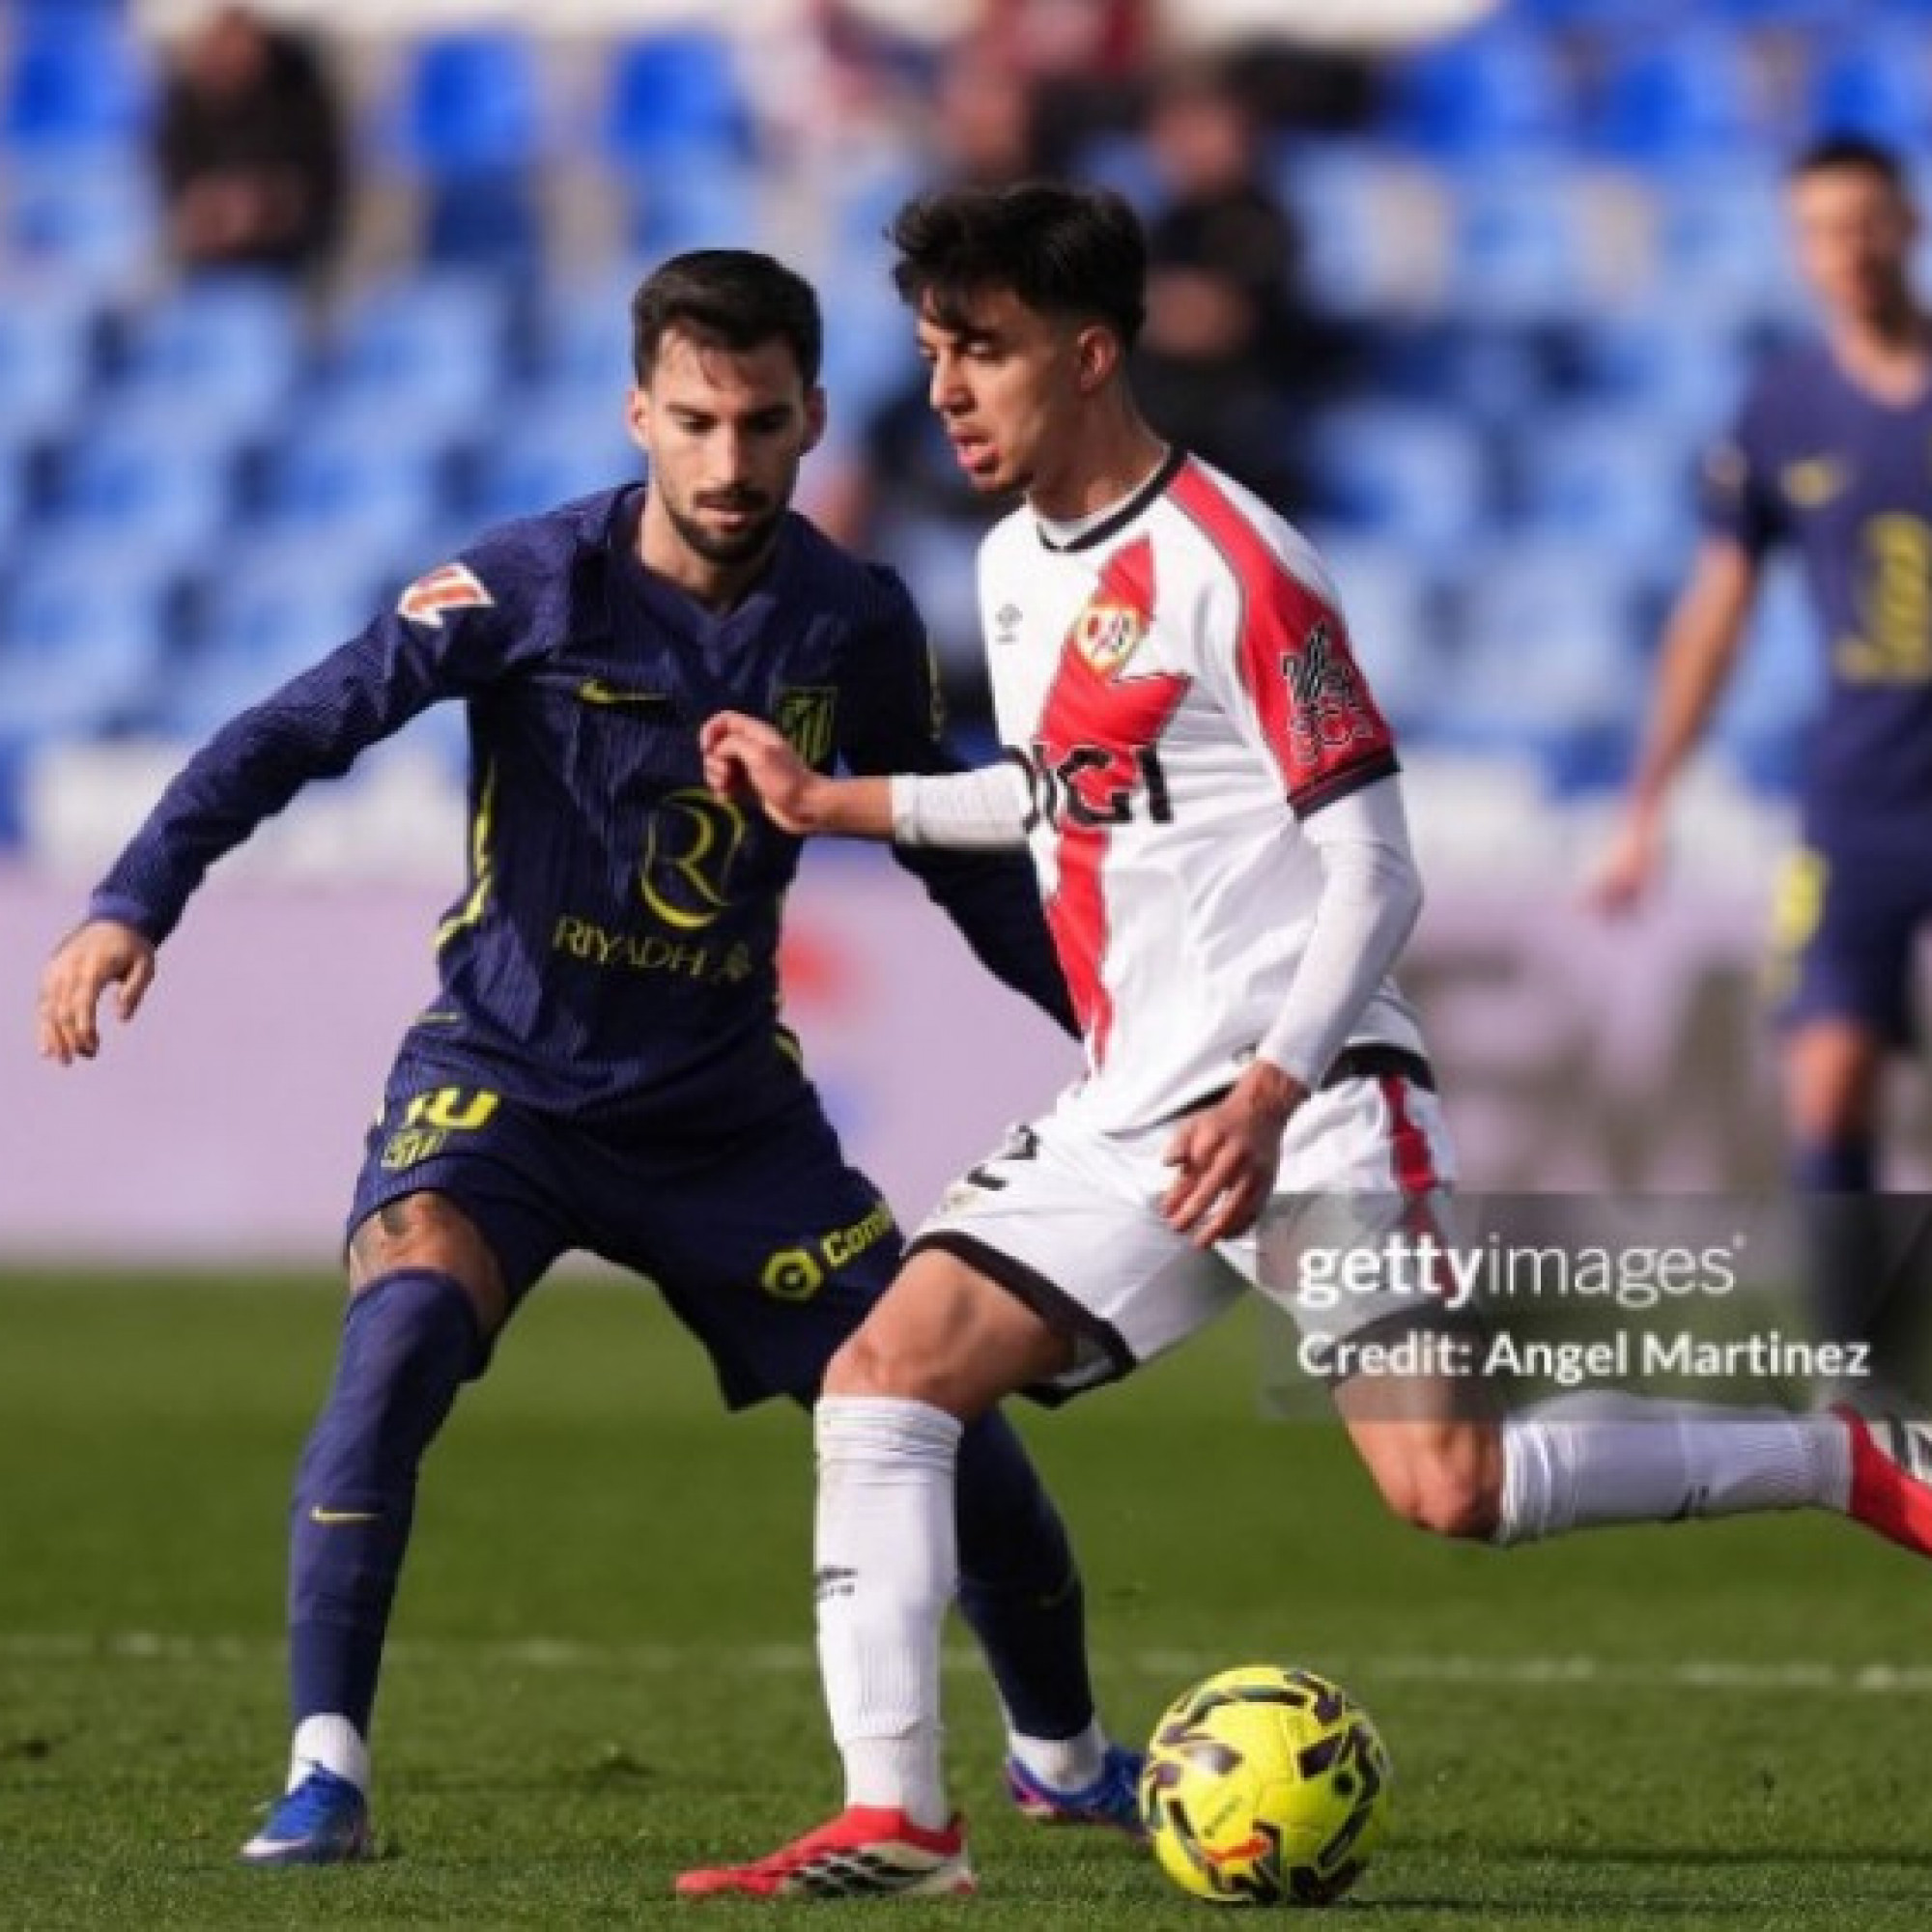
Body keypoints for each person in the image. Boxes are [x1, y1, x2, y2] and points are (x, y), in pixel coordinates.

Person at [677, 182, 1932, 1900]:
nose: (947, 390)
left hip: (1315, 1097)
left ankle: (1833, 1448)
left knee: (1450, 1485)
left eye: (983, 351)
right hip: (1136, 1110)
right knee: (885, 1381)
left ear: (1092, 352)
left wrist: (1275, 1093)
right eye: (932, 353)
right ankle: (903, 1818)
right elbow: (1060, 791)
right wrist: (844, 802)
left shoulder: (1237, 567)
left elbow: (1375, 861)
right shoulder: (1010, 564)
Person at [34, 250, 1145, 1871]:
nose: (727, 460)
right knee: (400, 1329)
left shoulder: (852, 622)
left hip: (723, 1115)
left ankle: (1061, 1752)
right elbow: (297, 725)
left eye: (762, 424)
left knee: (946, 1407)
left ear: (811, 418)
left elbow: (961, 864)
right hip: (506, 1080)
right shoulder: (523, 585)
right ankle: (327, 1769)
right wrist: (135, 901)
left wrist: (1125, 1032)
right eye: (693, 421)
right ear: (640, 412)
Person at [1591, 135, 1932, 1385]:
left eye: (1866, 223)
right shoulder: (1785, 406)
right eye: (1821, 230)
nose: (1846, 252)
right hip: (1858, 797)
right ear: (1800, 249)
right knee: (1830, 1080)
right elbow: (1716, 611)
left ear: (1907, 225)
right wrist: (1645, 805)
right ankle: (1865, 1381)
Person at [154, 4, 348, 281]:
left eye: (238, 46)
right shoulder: (181, 111)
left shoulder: (297, 108)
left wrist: (256, 211)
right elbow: (177, 208)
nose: (228, 57)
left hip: (282, 272)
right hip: (201, 275)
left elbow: (314, 200)